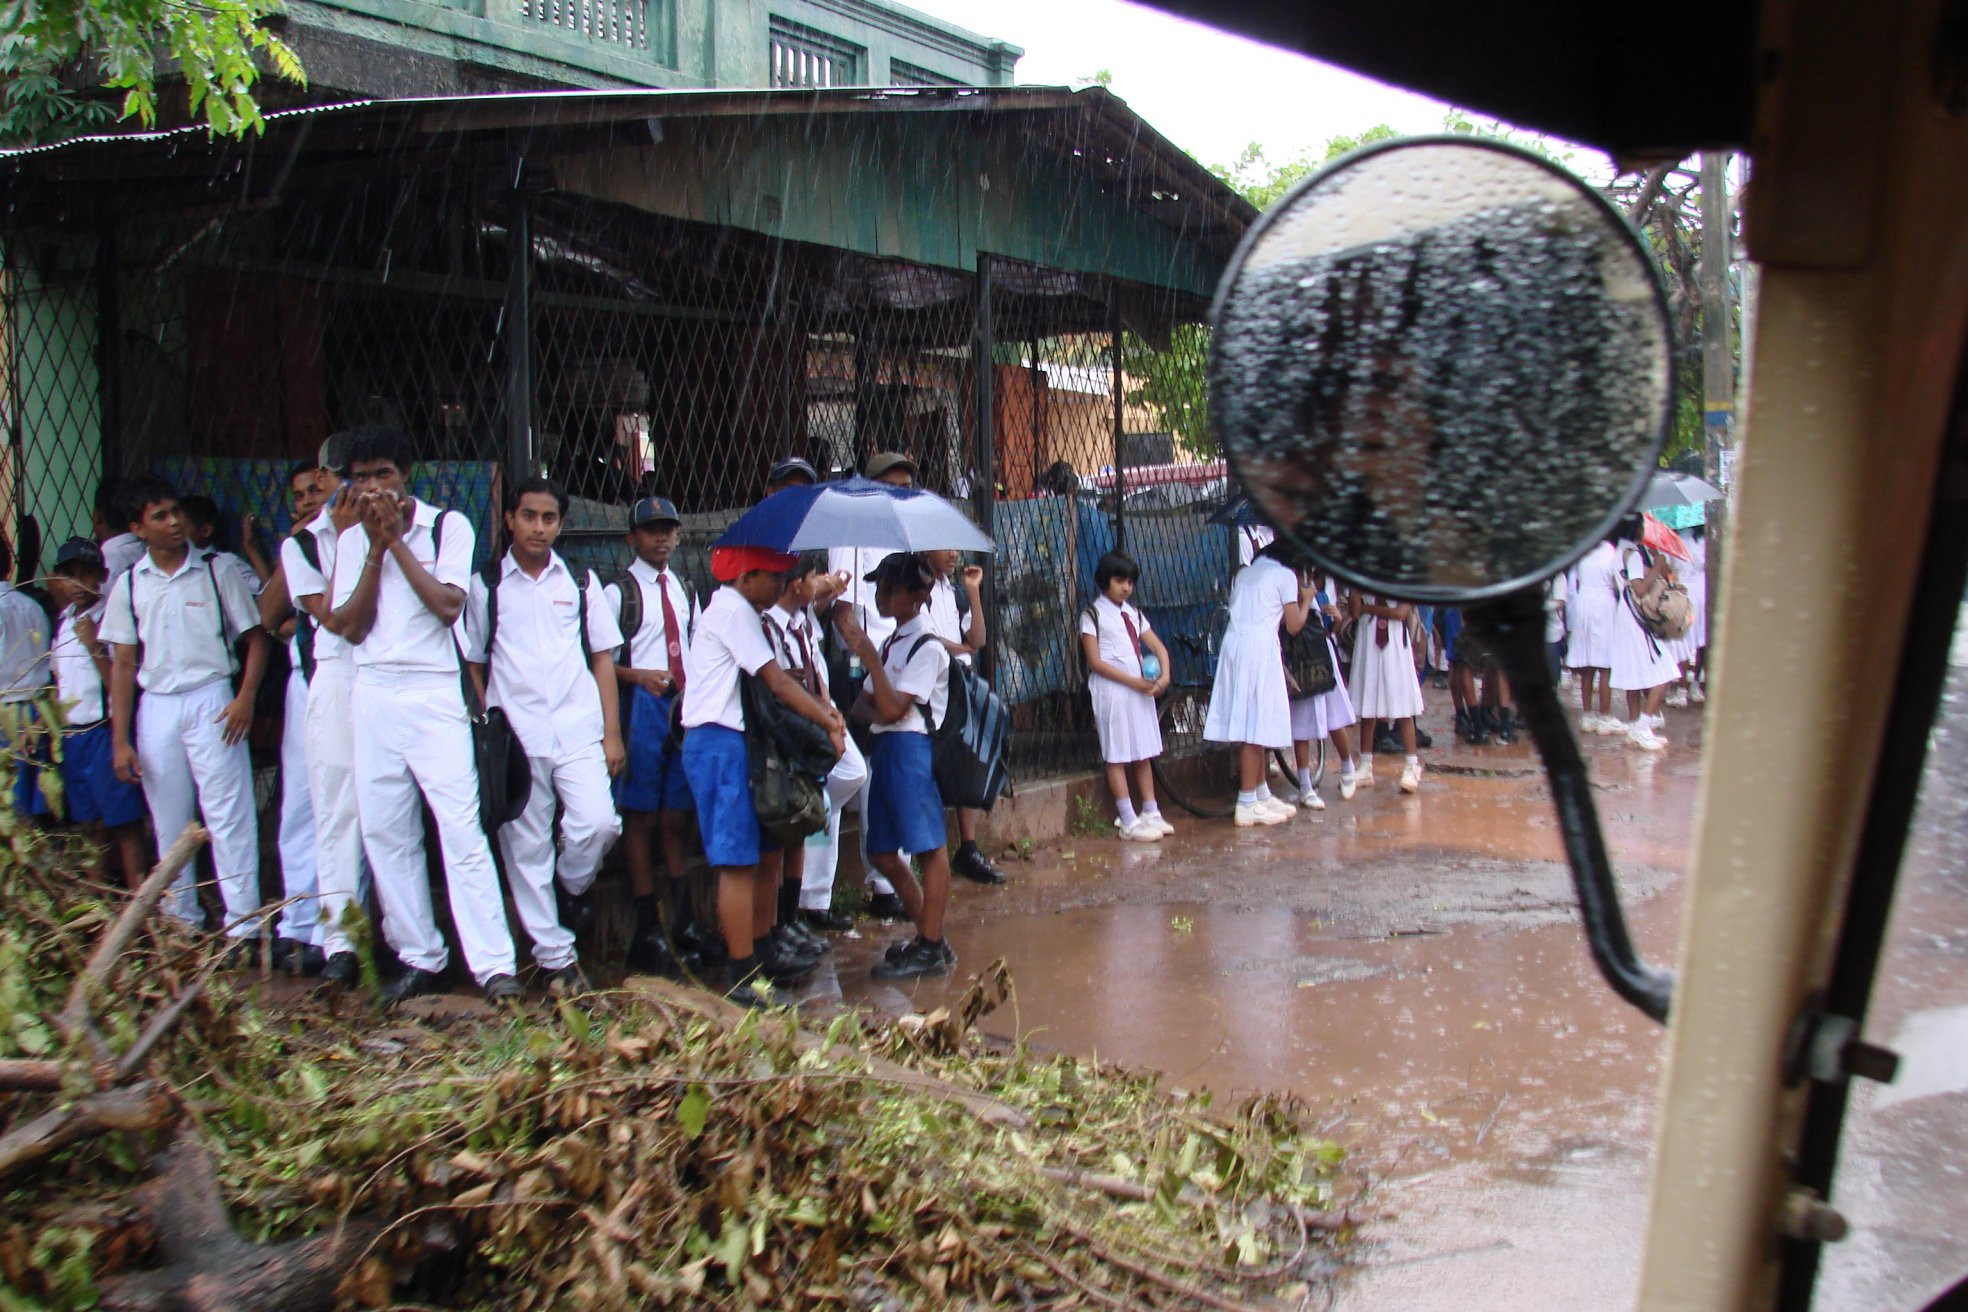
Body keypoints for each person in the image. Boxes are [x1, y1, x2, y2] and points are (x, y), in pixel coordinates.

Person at [328, 427, 521, 1006]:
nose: (370, 488)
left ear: (403, 476)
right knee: (385, 829)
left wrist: (398, 545)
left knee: (460, 827)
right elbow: (352, 627)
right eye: (359, 478)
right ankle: (420, 954)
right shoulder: (349, 542)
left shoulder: (447, 526)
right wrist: (373, 549)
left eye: (381, 474)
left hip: (433, 691)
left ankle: (494, 965)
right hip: (374, 691)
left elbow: (446, 607)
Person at [464, 476, 625, 997]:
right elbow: (473, 661)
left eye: (548, 518)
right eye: (528, 516)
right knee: (525, 847)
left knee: (598, 825)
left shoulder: (579, 582)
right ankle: (557, 957)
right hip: (517, 737)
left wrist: (612, 734)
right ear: (510, 519)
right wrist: (489, 722)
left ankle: (570, 885)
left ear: (560, 523)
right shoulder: (485, 586)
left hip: (577, 728)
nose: (538, 527)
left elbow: (602, 658)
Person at [100, 475, 271, 938]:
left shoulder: (218, 571)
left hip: (213, 698)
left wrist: (245, 698)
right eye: (160, 516)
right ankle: (182, 924)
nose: (174, 522)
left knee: (228, 813)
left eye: (175, 512)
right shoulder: (130, 584)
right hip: (156, 706)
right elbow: (122, 663)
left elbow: (257, 641)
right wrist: (120, 740)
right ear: (138, 529)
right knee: (169, 820)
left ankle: (243, 927)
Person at [682, 543, 845, 1006]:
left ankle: (760, 950)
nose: (781, 584)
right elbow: (776, 681)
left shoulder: (744, 613)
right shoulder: (733, 612)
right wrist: (826, 718)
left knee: (760, 852)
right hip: (718, 741)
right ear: (745, 576)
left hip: (739, 742)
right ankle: (740, 972)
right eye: (772, 577)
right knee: (736, 862)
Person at [277, 436, 367, 985]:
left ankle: (372, 932)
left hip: (383, 677)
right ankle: (326, 935)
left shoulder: (393, 528)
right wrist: (349, 539)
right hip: (327, 676)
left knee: (380, 813)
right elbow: (330, 615)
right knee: (324, 810)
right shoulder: (305, 545)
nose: (322, 494)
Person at [849, 551, 958, 979]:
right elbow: (865, 704)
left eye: (890, 589)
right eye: (879, 588)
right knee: (881, 850)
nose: (881, 597)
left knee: (929, 847)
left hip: (911, 751)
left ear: (918, 594)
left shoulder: (927, 646)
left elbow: (894, 709)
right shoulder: (894, 641)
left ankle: (930, 945)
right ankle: (929, 936)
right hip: (888, 748)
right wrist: (884, 707)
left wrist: (875, 674)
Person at [605, 495, 700, 977]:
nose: (662, 538)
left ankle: (684, 919)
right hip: (642, 706)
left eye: (669, 529)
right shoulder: (618, 591)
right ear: (632, 538)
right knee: (638, 815)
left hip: (679, 705)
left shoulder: (683, 586)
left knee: (674, 816)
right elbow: (598, 661)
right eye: (651, 530)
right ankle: (646, 926)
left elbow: (694, 643)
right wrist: (636, 676)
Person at [827, 451, 918, 920]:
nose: (898, 492)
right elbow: (842, 608)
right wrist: (862, 654)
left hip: (897, 662)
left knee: (891, 770)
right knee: (864, 774)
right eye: (891, 483)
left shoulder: (901, 532)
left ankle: (891, 878)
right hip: (864, 667)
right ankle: (876, 883)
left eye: (904, 484)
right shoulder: (853, 531)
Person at [252, 461, 334, 974]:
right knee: (300, 806)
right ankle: (298, 926)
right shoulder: (301, 546)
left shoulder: (351, 537)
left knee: (343, 811)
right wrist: (293, 547)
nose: (307, 500)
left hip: (350, 680)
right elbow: (270, 615)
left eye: (315, 490)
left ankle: (338, 930)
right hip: (305, 683)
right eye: (299, 495)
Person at [47, 538, 149, 889]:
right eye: (69, 576)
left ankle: (142, 907)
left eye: (86, 575)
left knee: (124, 823)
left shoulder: (108, 618)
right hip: (74, 737)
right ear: (58, 580)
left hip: (104, 731)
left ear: (102, 576)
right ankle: (100, 903)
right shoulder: (62, 624)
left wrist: (93, 646)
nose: (77, 584)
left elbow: (120, 683)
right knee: (90, 826)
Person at [756, 555, 841, 963]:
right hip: (787, 735)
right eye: (812, 578)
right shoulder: (766, 625)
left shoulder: (801, 622)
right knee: (784, 825)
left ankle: (790, 918)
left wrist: (828, 710)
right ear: (794, 585)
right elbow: (780, 685)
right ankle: (773, 924)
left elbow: (814, 674)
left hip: (810, 729)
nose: (817, 584)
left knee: (805, 822)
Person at [1204, 539, 1313, 825]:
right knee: (1255, 723)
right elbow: (1293, 625)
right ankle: (1247, 800)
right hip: (1259, 649)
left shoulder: (1245, 573)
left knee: (1255, 721)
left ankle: (1261, 794)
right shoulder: (1285, 576)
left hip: (1235, 644)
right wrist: (1308, 600)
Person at [923, 548, 1005, 883]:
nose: (954, 554)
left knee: (968, 758)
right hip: (935, 683)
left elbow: (979, 638)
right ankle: (929, 850)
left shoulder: (952, 592)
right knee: (932, 762)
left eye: (957, 547)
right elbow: (927, 637)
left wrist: (972, 591)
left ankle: (968, 847)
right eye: (946, 547)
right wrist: (963, 648)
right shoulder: (920, 589)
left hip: (962, 685)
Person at [1079, 550, 1172, 840]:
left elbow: (1158, 648)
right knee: (1117, 752)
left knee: (1142, 748)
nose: (1126, 587)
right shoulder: (1092, 615)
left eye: (1130, 582)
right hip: (1112, 690)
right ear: (1105, 581)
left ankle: (1150, 809)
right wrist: (1132, 681)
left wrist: (1164, 677)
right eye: (1119, 580)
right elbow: (1095, 662)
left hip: (1139, 690)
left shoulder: (1134, 614)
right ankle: (1127, 818)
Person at [1608, 515, 1678, 751]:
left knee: (1632, 673)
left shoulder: (1618, 552)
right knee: (1665, 671)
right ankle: (1643, 724)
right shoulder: (1634, 554)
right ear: (1636, 528)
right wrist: (1657, 566)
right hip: (1636, 617)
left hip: (1624, 615)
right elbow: (1639, 587)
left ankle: (1636, 723)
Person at [1349, 584, 1427, 794]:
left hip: (1394, 642)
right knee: (1368, 702)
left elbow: (1400, 613)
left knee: (1401, 703)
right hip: (1368, 639)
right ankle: (1365, 764)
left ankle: (1412, 765)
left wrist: (1370, 609)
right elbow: (1355, 610)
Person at [1290, 572, 1360, 806]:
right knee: (1301, 722)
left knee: (1333, 716)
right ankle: (1305, 786)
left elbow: (1330, 627)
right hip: (1298, 660)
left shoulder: (1319, 596)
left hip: (1322, 658)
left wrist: (1337, 618)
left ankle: (1348, 767)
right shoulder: (1289, 598)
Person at [0, 532, 54, 823]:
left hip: (6, 716)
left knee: (10, 814)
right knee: (33, 814)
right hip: (37, 712)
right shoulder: (32, 607)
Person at [1566, 536, 1622, 735]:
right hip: (1604, 605)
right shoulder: (1611, 551)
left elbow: (1578, 578)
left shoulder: (1583, 547)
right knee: (1605, 665)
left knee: (1587, 665)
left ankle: (1587, 715)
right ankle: (1605, 716)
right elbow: (1617, 582)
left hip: (1583, 604)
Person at [179, 494, 268, 591]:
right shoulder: (170, 564)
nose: (176, 530)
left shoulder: (225, 562)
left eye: (183, 526)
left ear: (206, 530)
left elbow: (266, 589)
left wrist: (250, 549)